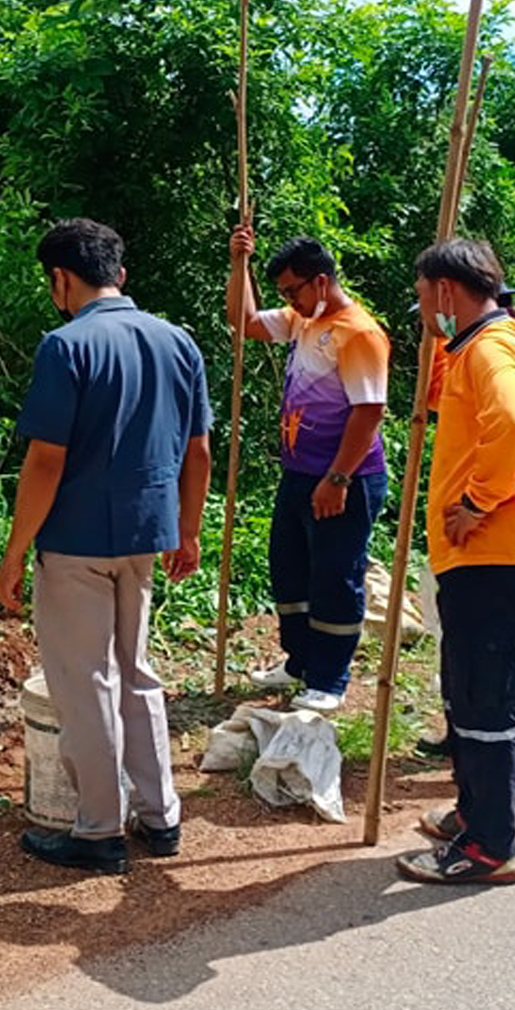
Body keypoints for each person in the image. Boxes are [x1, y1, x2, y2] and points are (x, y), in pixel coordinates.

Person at [0, 218, 212, 875]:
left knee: (85, 681)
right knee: (136, 670)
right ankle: (161, 812)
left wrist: (13, 553)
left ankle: (97, 829)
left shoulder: (65, 346)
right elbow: (198, 450)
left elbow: (45, 462)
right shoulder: (179, 342)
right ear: (120, 271)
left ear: (62, 278)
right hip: (147, 534)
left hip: (75, 539)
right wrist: (190, 528)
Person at [396, 238, 515, 885]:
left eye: (421, 297)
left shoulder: (491, 349)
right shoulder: (508, 341)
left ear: (445, 291)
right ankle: (474, 812)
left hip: (493, 553)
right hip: (500, 552)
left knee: (484, 703)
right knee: (468, 692)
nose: (420, 310)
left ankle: (492, 846)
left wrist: (475, 500)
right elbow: (456, 408)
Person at [225, 228, 390, 712]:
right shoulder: (305, 320)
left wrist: (337, 478)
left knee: (335, 574)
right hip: (298, 472)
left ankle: (330, 676)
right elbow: (246, 321)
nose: (289, 302)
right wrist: (241, 265)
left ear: (320, 282)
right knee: (290, 569)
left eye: (293, 290)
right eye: (284, 295)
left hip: (345, 478)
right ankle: (299, 660)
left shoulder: (358, 332)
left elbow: (368, 412)